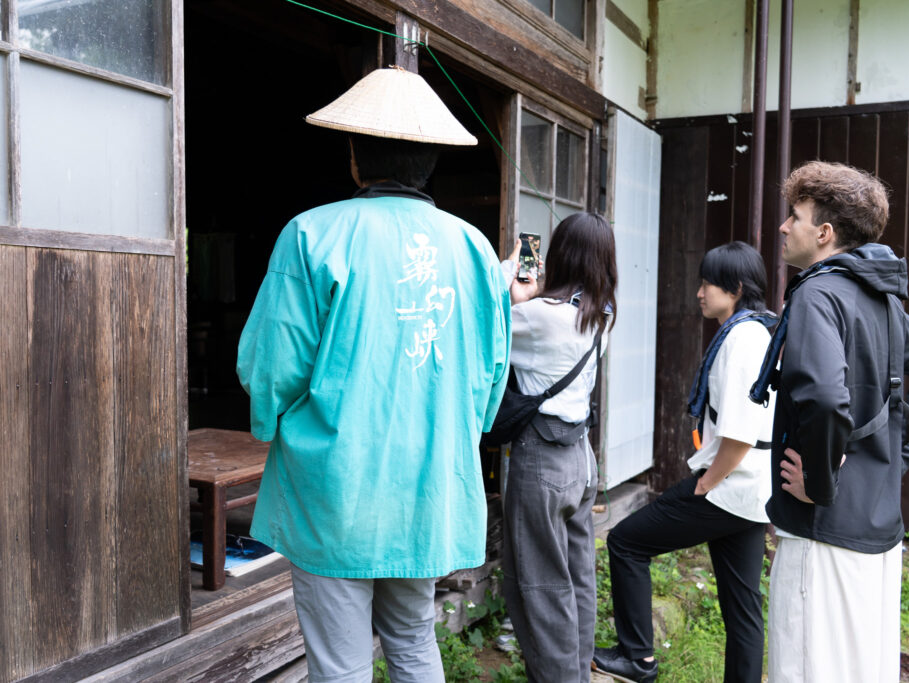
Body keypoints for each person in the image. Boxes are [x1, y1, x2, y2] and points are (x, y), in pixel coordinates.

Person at [236, 67, 510, 683]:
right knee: (414, 639)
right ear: (430, 161)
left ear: (355, 157)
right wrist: (465, 429)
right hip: (431, 480)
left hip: (337, 483)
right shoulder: (474, 249)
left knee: (340, 660)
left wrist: (267, 422)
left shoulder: (312, 233)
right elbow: (493, 376)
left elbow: (270, 366)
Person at [750, 161, 909, 682]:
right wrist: (890, 458)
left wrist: (820, 485)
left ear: (823, 233)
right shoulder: (880, 298)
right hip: (876, 529)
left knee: (806, 671)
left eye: (793, 216)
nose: (783, 227)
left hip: (824, 535)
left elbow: (823, 397)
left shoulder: (818, 294)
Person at [592, 241, 777, 683]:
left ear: (734, 288)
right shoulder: (762, 329)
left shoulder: (743, 338)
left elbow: (740, 431)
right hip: (753, 490)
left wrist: (707, 481)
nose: (699, 292)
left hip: (729, 485)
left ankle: (637, 658)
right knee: (743, 607)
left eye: (708, 282)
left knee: (626, 542)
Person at [500, 212, 617, 683]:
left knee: (539, 584)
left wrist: (515, 283)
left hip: (542, 461)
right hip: (580, 461)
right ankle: (577, 673)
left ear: (560, 255)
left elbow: (483, 335)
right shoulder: (603, 315)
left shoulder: (538, 317)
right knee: (576, 575)